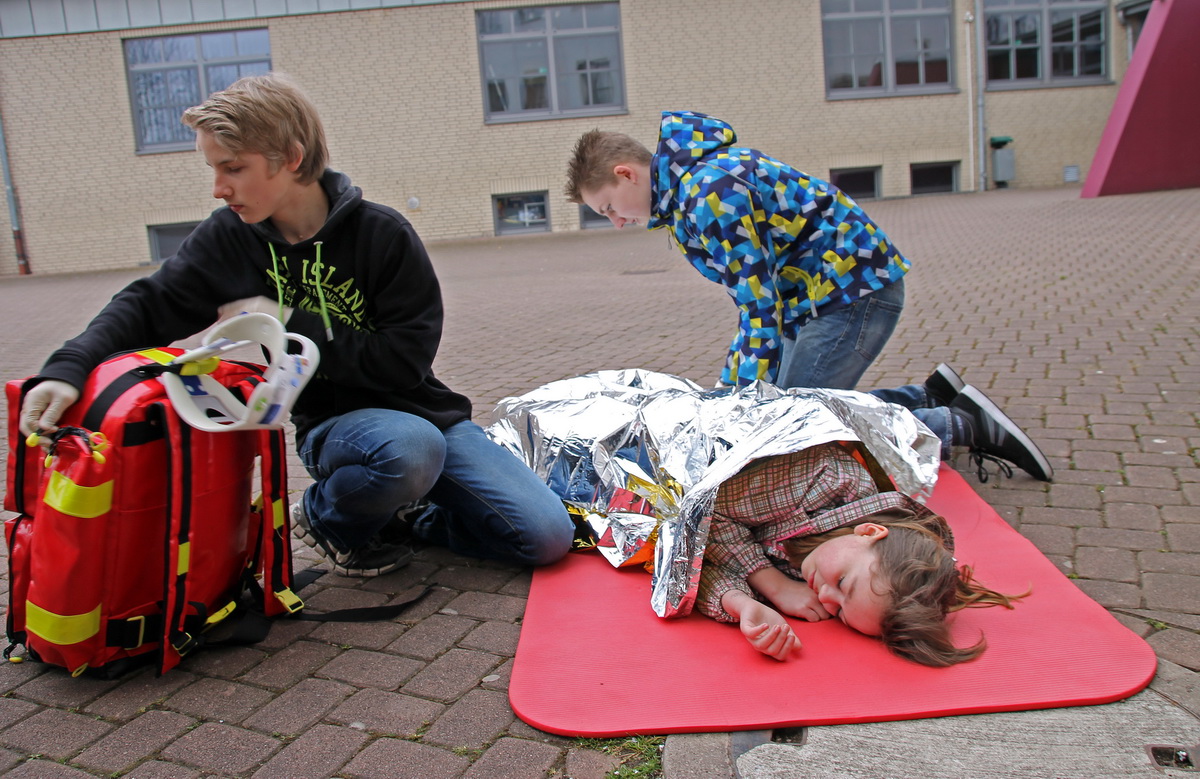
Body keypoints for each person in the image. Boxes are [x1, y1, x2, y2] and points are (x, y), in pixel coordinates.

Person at [18, 73, 574, 577]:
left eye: (232, 168)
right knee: (409, 448)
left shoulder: (382, 234)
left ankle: (410, 515)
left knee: (547, 536)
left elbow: (404, 361)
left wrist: (283, 319)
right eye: (213, 168)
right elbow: (143, 305)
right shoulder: (228, 239)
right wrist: (66, 371)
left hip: (427, 416)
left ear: (290, 157)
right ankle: (332, 518)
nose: (218, 187)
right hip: (336, 427)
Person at [564, 111, 1052, 482]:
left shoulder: (708, 193)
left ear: (627, 174)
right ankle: (924, 396)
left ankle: (958, 424)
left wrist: (729, 405)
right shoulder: (689, 192)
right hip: (828, 297)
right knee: (781, 406)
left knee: (798, 428)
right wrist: (733, 396)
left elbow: (759, 308)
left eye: (608, 207)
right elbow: (757, 302)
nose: (617, 221)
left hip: (852, 295)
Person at [697, 442, 1022, 665]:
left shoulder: (818, 576)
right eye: (843, 582)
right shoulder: (826, 477)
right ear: (869, 532)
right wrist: (773, 585)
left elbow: (696, 563)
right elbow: (704, 510)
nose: (824, 596)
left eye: (837, 611)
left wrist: (742, 604)